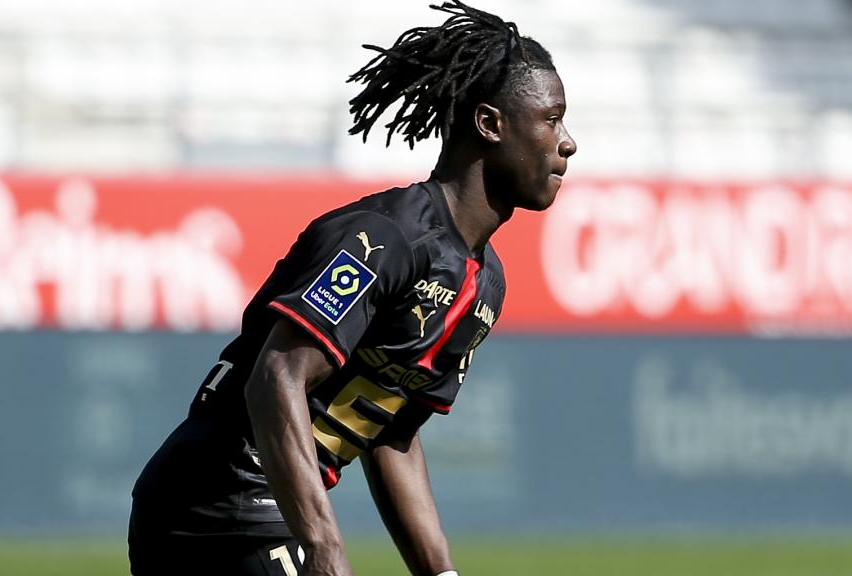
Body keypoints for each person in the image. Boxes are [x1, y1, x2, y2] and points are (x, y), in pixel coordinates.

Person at [128, 1, 576, 574]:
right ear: (490, 124)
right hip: (218, 499)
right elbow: (276, 378)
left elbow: (391, 433)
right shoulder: (384, 238)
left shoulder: (484, 285)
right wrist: (323, 544)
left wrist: (440, 572)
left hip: (259, 506)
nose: (567, 142)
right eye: (551, 118)